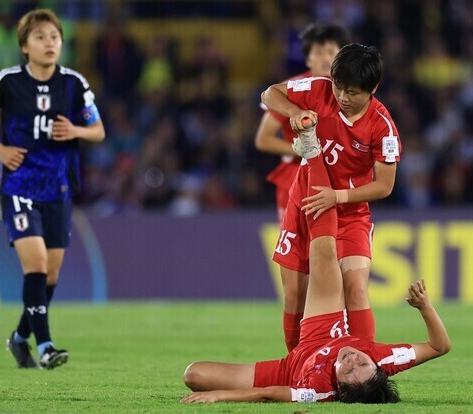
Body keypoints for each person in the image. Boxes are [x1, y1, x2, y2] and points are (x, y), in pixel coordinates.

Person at [181, 122, 450, 404]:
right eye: (363, 365)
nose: (353, 361)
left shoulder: (318, 390)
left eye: (348, 371)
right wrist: (425, 307)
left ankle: (313, 171)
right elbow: (440, 346)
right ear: (378, 368)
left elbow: (268, 394)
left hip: (288, 370)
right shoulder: (384, 358)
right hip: (325, 329)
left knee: (194, 375)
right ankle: (313, 150)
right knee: (325, 253)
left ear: (339, 388)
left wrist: (219, 396)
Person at [0, 9, 105, 368]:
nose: (49, 44)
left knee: (52, 275)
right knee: (38, 265)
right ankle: (45, 347)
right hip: (20, 185)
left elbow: (98, 130)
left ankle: (18, 338)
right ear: (24, 46)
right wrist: (0, 150)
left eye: (55, 37)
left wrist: (76, 131)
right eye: (41, 37)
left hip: (58, 188)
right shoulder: (8, 80)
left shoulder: (74, 83)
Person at [263, 43, 401, 351]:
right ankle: (298, 366)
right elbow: (270, 93)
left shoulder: (383, 128)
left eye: (353, 93)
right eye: (340, 88)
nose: (343, 98)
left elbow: (384, 186)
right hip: (305, 204)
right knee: (294, 294)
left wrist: (337, 196)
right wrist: (295, 111)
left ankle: (366, 370)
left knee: (356, 290)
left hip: (349, 213)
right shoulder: (319, 89)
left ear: (372, 89)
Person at [255, 22, 348, 353]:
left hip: (334, 189)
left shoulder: (348, 92)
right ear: (308, 58)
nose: (326, 57)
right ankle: (297, 354)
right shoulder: (294, 89)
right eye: (319, 51)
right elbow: (263, 138)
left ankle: (331, 347)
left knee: (335, 271)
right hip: (296, 184)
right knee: (297, 275)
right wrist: (296, 148)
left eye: (332, 50)